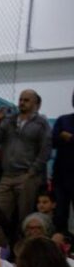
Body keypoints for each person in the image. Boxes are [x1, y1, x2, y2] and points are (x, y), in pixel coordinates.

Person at [0, 90, 52, 235]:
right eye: (20, 99)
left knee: (24, 217)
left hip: (27, 175)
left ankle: (24, 249)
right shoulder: (9, 120)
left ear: (37, 104)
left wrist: (32, 172)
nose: (22, 103)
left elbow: (45, 150)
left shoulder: (42, 123)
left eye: (26, 100)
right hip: (7, 175)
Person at [52, 90, 74, 234]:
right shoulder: (63, 119)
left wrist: (69, 138)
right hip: (61, 175)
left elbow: (62, 138)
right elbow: (53, 140)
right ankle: (62, 247)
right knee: (60, 214)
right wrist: (62, 138)